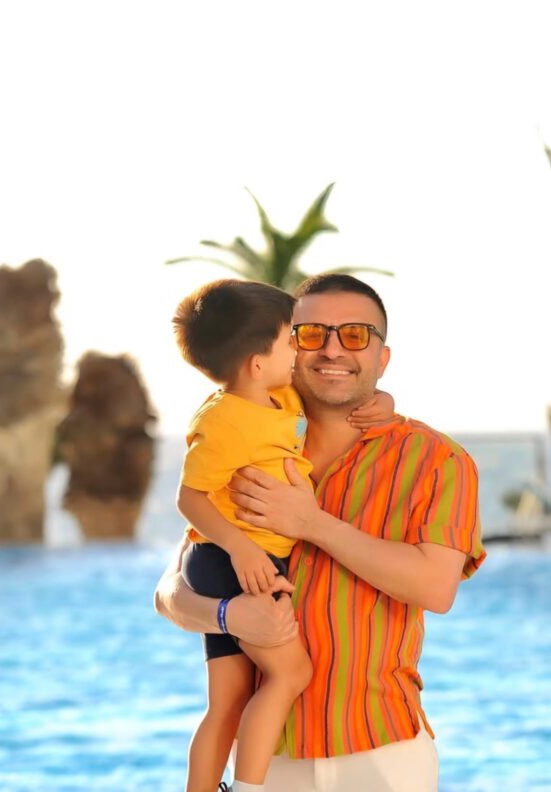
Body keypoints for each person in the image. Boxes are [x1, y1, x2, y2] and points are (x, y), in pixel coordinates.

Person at [157, 274, 485, 792]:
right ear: (284, 351)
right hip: (267, 763)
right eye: (310, 334)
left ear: (382, 358)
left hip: (382, 753)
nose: (332, 350)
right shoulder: (252, 439)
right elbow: (171, 592)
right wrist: (227, 615)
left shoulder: (438, 460)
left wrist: (311, 523)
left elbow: (435, 589)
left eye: (355, 335)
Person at [171, 279, 394, 792]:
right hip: (231, 560)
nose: (299, 350)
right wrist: (241, 549)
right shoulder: (223, 422)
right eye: (289, 341)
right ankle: (249, 788)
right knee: (291, 675)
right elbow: (189, 498)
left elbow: (340, 398)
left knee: (228, 700)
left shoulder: (280, 396)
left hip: (241, 558)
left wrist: (383, 401)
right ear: (257, 363)